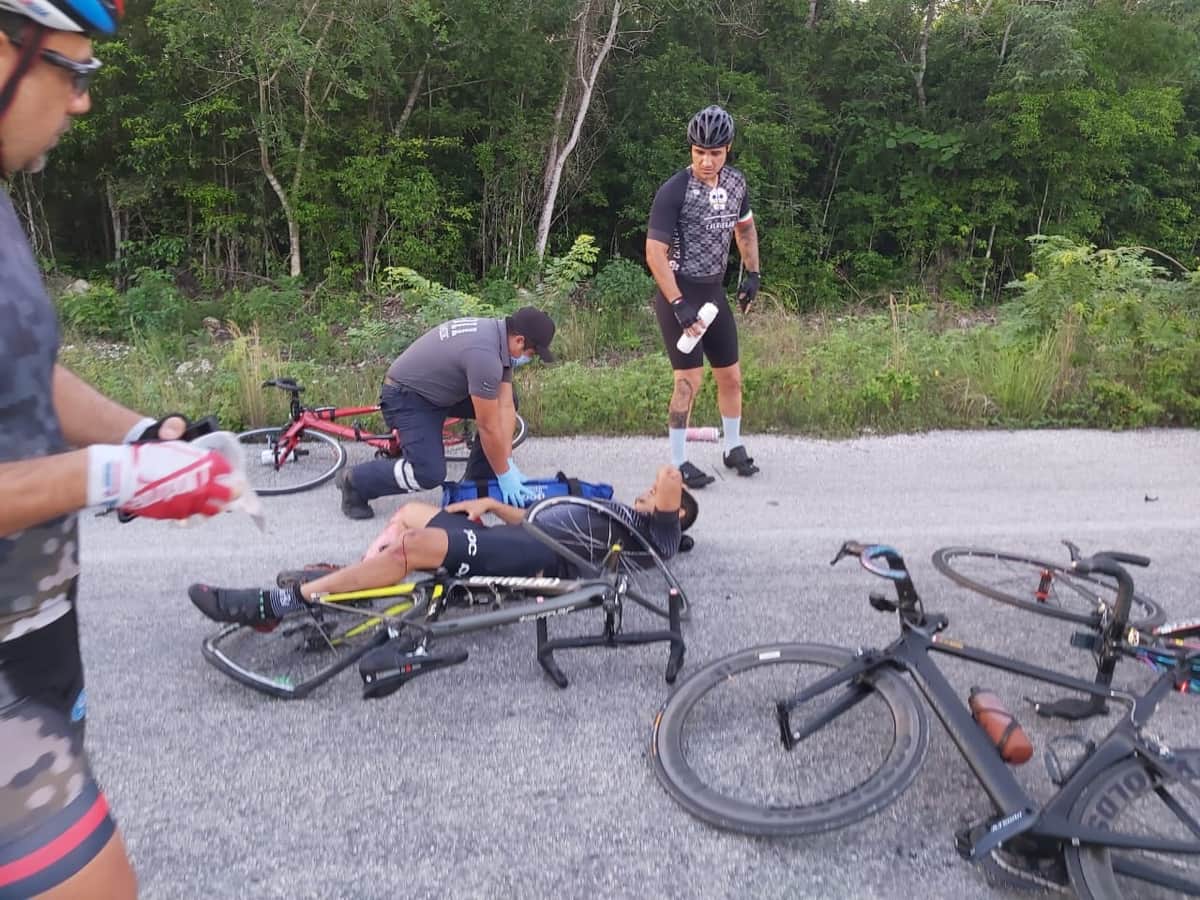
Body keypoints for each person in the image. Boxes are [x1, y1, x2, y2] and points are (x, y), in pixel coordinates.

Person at [0, 2, 243, 897]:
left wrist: (140, 434)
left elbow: (24, 371)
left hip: (35, 628)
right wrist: (117, 475)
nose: (81, 102)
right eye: (73, 71)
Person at [188, 465, 698, 626]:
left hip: (537, 558)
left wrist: (664, 502)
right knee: (412, 513)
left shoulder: (655, 537)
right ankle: (350, 585)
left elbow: (670, 476)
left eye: (655, 498)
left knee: (415, 545)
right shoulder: (615, 515)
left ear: (675, 514)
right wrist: (491, 505)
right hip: (519, 534)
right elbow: (537, 516)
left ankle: (282, 604)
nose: (645, 493)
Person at [335, 307, 557, 520]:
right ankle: (354, 482)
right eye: (531, 354)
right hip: (407, 397)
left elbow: (505, 406)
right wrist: (505, 475)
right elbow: (488, 426)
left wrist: (506, 462)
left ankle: (477, 483)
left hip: (438, 391)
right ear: (519, 340)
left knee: (502, 405)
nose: (529, 359)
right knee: (427, 474)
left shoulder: (499, 338)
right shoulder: (485, 356)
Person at [645, 103, 761, 489]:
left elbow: (744, 229)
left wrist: (753, 274)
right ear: (691, 149)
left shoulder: (736, 183)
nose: (706, 161)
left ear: (728, 149)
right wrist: (678, 303)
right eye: (699, 152)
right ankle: (678, 463)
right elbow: (654, 253)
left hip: (714, 292)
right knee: (687, 381)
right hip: (679, 292)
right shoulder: (674, 190)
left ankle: (733, 447)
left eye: (714, 153)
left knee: (731, 376)